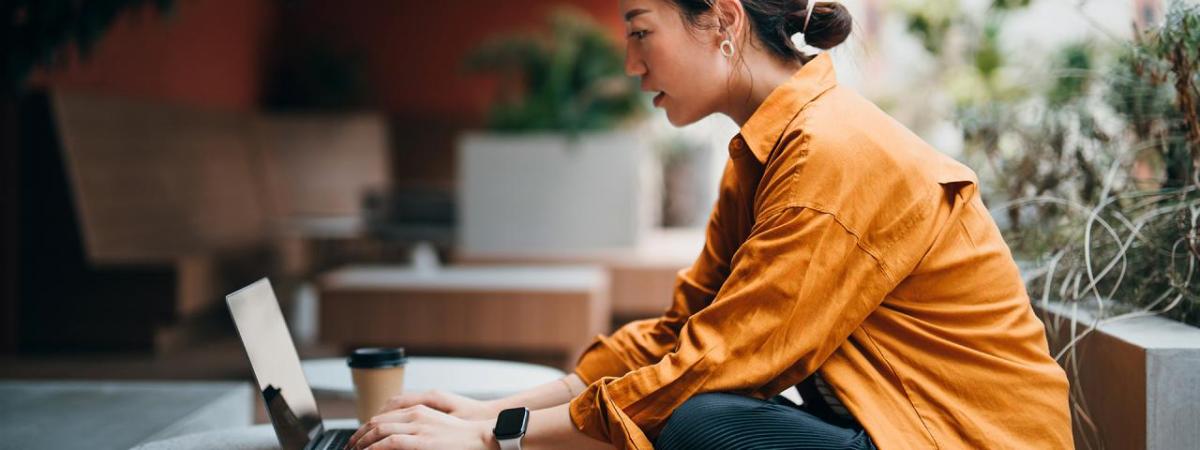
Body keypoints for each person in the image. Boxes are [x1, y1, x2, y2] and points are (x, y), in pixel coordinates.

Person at [346, 0, 1074, 448]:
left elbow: (717, 367)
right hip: (891, 431)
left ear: (722, 20)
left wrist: (489, 440)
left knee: (701, 423)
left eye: (640, 31)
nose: (631, 64)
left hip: (956, 443)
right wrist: (492, 409)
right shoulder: (768, 148)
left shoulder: (834, 151)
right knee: (686, 416)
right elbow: (680, 333)